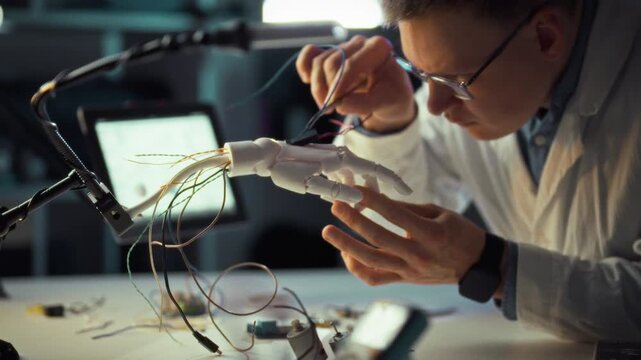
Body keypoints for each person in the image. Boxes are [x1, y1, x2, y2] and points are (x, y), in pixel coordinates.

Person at [295, 0, 641, 341]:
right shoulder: (484, 67)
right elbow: (410, 228)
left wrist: (495, 268)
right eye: (420, 73)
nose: (433, 105)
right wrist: (390, 122)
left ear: (546, 36)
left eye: (456, 82)